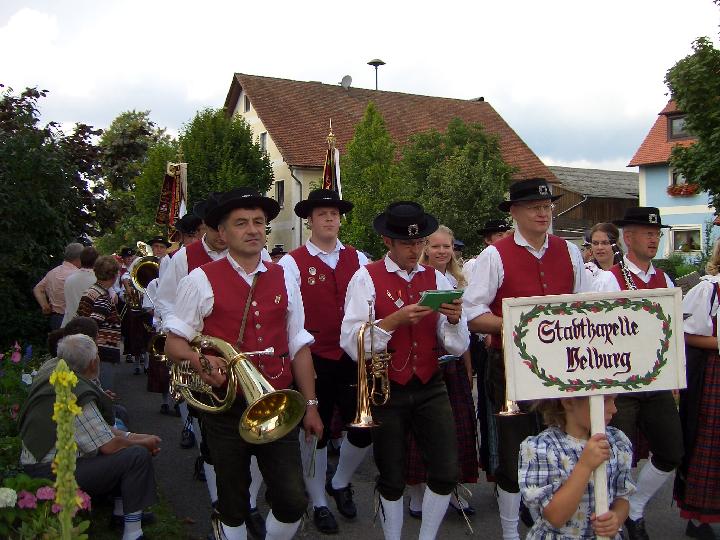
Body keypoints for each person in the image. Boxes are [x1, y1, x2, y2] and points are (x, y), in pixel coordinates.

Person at [164, 187, 322, 540]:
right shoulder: (200, 279)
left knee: (293, 501)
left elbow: (298, 344)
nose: (252, 230)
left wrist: (311, 405)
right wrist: (201, 359)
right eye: (241, 223)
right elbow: (174, 343)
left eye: (258, 222)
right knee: (232, 502)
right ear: (222, 232)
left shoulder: (286, 276)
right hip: (226, 406)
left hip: (277, 401)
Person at [463, 178, 594, 540]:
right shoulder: (495, 255)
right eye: (535, 207)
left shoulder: (570, 252)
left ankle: (560, 522)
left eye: (547, 206)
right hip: (510, 365)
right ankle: (510, 532)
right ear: (515, 213)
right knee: (514, 451)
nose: (543, 213)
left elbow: (584, 306)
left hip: (562, 364)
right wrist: (516, 324)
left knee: (565, 443)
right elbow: (472, 314)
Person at [341, 201, 469, 540]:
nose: (415, 250)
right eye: (407, 243)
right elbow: (350, 342)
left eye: (419, 242)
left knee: (446, 471)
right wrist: (392, 322)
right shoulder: (366, 277)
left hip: (430, 383)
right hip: (388, 387)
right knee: (392, 476)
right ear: (388, 242)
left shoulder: (437, 278)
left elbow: (457, 346)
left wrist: (453, 321)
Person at [279, 188, 370, 534]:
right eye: (322, 214)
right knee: (313, 431)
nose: (330, 219)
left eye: (334, 214)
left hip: (352, 355)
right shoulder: (291, 263)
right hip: (313, 357)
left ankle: (340, 480)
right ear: (310, 220)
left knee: (363, 427)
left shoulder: (359, 259)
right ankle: (318, 501)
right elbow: (288, 315)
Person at [19, 334, 161, 540]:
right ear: (93, 362)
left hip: (37, 464)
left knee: (128, 449)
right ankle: (133, 533)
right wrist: (143, 444)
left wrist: (136, 437)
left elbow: (98, 430)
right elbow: (109, 446)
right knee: (136, 456)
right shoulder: (75, 391)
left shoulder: (54, 371)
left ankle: (121, 513)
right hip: (50, 473)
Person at [603, 207, 681, 540]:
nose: (654, 239)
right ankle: (616, 520)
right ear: (628, 237)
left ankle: (634, 506)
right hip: (621, 381)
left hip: (655, 379)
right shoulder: (609, 279)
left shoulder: (664, 279)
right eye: (648, 234)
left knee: (671, 449)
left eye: (657, 234)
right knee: (619, 457)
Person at [406, 225, 477, 519]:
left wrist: (468, 365)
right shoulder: (416, 278)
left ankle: (453, 488)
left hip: (452, 362)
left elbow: (463, 328)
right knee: (418, 432)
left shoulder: (457, 280)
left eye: (447, 246)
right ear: (425, 248)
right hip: (425, 361)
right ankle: (417, 492)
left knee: (457, 429)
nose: (442, 251)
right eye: (435, 246)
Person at [519, 395, 635, 539]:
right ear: (569, 402)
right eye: (604, 401)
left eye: (614, 400)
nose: (614, 409)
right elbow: (555, 517)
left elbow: (622, 497)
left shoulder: (616, 441)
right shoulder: (544, 448)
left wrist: (615, 518)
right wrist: (585, 466)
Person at [676, 242, 720, 539]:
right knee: (710, 443)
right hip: (714, 374)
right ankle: (699, 517)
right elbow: (685, 334)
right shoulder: (709, 289)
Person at [77, 256, 123, 377]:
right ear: (114, 275)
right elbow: (92, 325)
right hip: (101, 352)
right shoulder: (102, 297)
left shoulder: (92, 290)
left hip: (93, 350)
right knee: (103, 386)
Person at [33, 242, 83, 330]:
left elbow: (38, 288)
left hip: (56, 319)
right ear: (80, 258)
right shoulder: (78, 275)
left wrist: (45, 305)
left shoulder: (52, 272)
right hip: (74, 320)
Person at [62, 246, 99, 327]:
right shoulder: (98, 280)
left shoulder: (69, 279)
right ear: (96, 261)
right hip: (87, 327)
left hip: (68, 324)